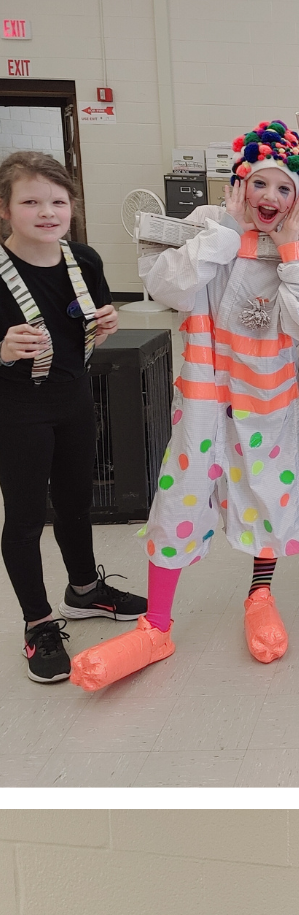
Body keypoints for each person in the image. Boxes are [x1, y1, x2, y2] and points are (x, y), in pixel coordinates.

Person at [70, 121, 299, 691]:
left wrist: (290, 252)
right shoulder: (205, 227)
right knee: (179, 497)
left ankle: (259, 595)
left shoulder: (294, 247)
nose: (270, 198)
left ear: (297, 199)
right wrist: (227, 231)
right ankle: (157, 625)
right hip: (204, 397)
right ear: (239, 182)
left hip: (267, 399)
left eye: (283, 189)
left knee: (268, 489)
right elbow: (168, 288)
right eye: (260, 184)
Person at [0, 150, 139, 683]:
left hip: (75, 400)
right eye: (30, 201)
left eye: (58, 201)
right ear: (7, 210)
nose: (47, 212)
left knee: (78, 502)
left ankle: (83, 590)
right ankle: (38, 623)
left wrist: (107, 323)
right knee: (26, 516)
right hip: (17, 411)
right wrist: (3, 348)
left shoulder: (84, 261)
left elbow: (98, 318)